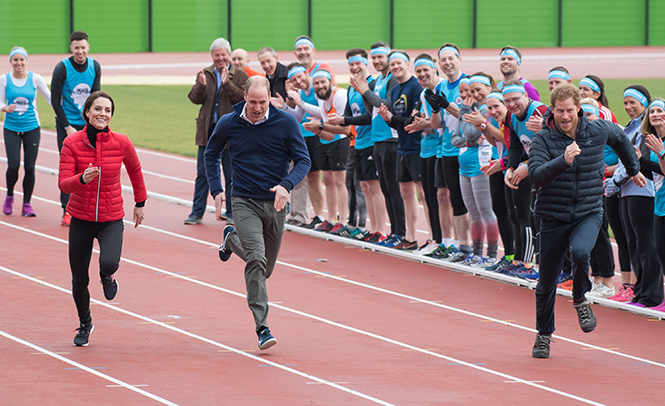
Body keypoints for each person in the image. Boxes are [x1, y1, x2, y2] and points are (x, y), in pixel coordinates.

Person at [528, 84, 643, 358]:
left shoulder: (598, 129)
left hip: (588, 211)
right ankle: (543, 335)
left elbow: (622, 140)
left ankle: (580, 298)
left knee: (581, 252)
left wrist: (633, 169)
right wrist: (563, 160)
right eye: (559, 111)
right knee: (546, 283)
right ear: (551, 111)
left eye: (569, 110)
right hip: (553, 216)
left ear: (578, 108)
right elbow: (536, 175)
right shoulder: (543, 140)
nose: (565, 116)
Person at [207, 76, 310, 350]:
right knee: (256, 259)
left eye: (262, 102)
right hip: (243, 200)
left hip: (275, 203)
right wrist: (216, 188)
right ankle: (262, 327)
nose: (257, 107)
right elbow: (211, 153)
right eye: (252, 102)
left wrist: (286, 186)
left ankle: (230, 240)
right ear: (244, 97)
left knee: (265, 269)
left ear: (269, 98)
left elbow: (303, 160)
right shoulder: (229, 123)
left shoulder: (286, 122)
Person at [58, 91, 147, 347]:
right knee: (79, 280)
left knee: (109, 261)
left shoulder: (121, 142)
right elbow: (64, 184)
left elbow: (135, 170)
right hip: (81, 219)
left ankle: (107, 276)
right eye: (98, 109)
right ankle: (85, 323)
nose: (102, 114)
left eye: (107, 110)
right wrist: (81, 179)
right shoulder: (72, 143)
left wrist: (140, 203)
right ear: (87, 112)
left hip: (111, 218)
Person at [185, 37, 247, 225]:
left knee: (231, 174)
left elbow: (241, 100)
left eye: (223, 55)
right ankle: (197, 212)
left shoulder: (241, 76)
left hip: (230, 134)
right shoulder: (205, 73)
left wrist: (227, 83)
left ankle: (231, 213)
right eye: (216, 55)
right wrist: (201, 86)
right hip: (207, 132)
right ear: (212, 56)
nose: (220, 58)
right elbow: (195, 98)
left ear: (229, 55)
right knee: (203, 172)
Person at [610, 85, 662, 307]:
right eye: (625, 103)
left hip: (644, 192)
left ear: (644, 103)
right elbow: (626, 160)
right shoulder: (631, 127)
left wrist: (616, 179)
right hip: (627, 190)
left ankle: (652, 295)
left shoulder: (646, 131)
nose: (628, 107)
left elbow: (641, 163)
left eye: (633, 102)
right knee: (634, 243)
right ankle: (641, 291)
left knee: (646, 243)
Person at [51, 31, 101, 226]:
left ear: (88, 47)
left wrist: (94, 124)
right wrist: (67, 126)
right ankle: (67, 210)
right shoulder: (62, 68)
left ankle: (88, 207)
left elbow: (96, 97)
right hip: (66, 124)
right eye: (76, 48)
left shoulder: (95, 66)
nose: (80, 51)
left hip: (88, 124)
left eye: (83, 47)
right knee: (68, 168)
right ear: (71, 48)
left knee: (90, 166)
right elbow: (55, 100)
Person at [450, 73, 500, 267]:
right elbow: (455, 139)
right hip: (464, 167)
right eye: (471, 91)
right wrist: (469, 141)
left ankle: (492, 255)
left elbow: (471, 132)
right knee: (473, 212)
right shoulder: (469, 110)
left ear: (488, 88)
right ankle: (477, 253)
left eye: (478, 90)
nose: (473, 94)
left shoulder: (486, 110)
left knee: (486, 211)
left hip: (481, 165)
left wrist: (463, 112)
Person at [427, 43, 472, 261]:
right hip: (446, 149)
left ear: (459, 59)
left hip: (467, 149)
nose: (447, 63)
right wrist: (436, 108)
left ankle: (471, 247)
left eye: (450, 58)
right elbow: (437, 124)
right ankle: (459, 245)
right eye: (443, 60)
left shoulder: (468, 84)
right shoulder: (441, 86)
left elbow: (469, 116)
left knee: (468, 200)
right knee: (453, 197)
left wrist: (446, 105)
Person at [378, 51, 425, 249]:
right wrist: (390, 120)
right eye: (392, 64)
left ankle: (434, 239)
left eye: (399, 63)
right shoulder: (395, 90)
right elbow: (399, 125)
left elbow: (411, 122)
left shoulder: (415, 87)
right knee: (406, 194)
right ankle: (410, 237)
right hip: (402, 147)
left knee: (422, 194)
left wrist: (391, 118)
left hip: (417, 148)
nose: (395, 67)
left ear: (407, 64)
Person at [273, 62, 325, 227]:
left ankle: (318, 215)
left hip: (319, 134)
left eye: (299, 76)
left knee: (315, 177)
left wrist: (300, 103)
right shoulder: (301, 92)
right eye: (293, 79)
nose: (298, 81)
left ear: (306, 73)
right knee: (304, 176)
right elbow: (299, 117)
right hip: (305, 134)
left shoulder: (316, 88)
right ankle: (302, 215)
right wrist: (285, 107)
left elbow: (322, 113)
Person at [1, 47, 51, 217]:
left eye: (22, 59)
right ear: (10, 62)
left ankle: (27, 204)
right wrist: (5, 108)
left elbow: (50, 98)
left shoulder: (35, 78)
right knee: (13, 165)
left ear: (26, 61)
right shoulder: (4, 79)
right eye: (15, 60)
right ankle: (9, 196)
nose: (19, 63)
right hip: (11, 128)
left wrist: (62, 115)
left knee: (30, 167)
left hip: (32, 128)